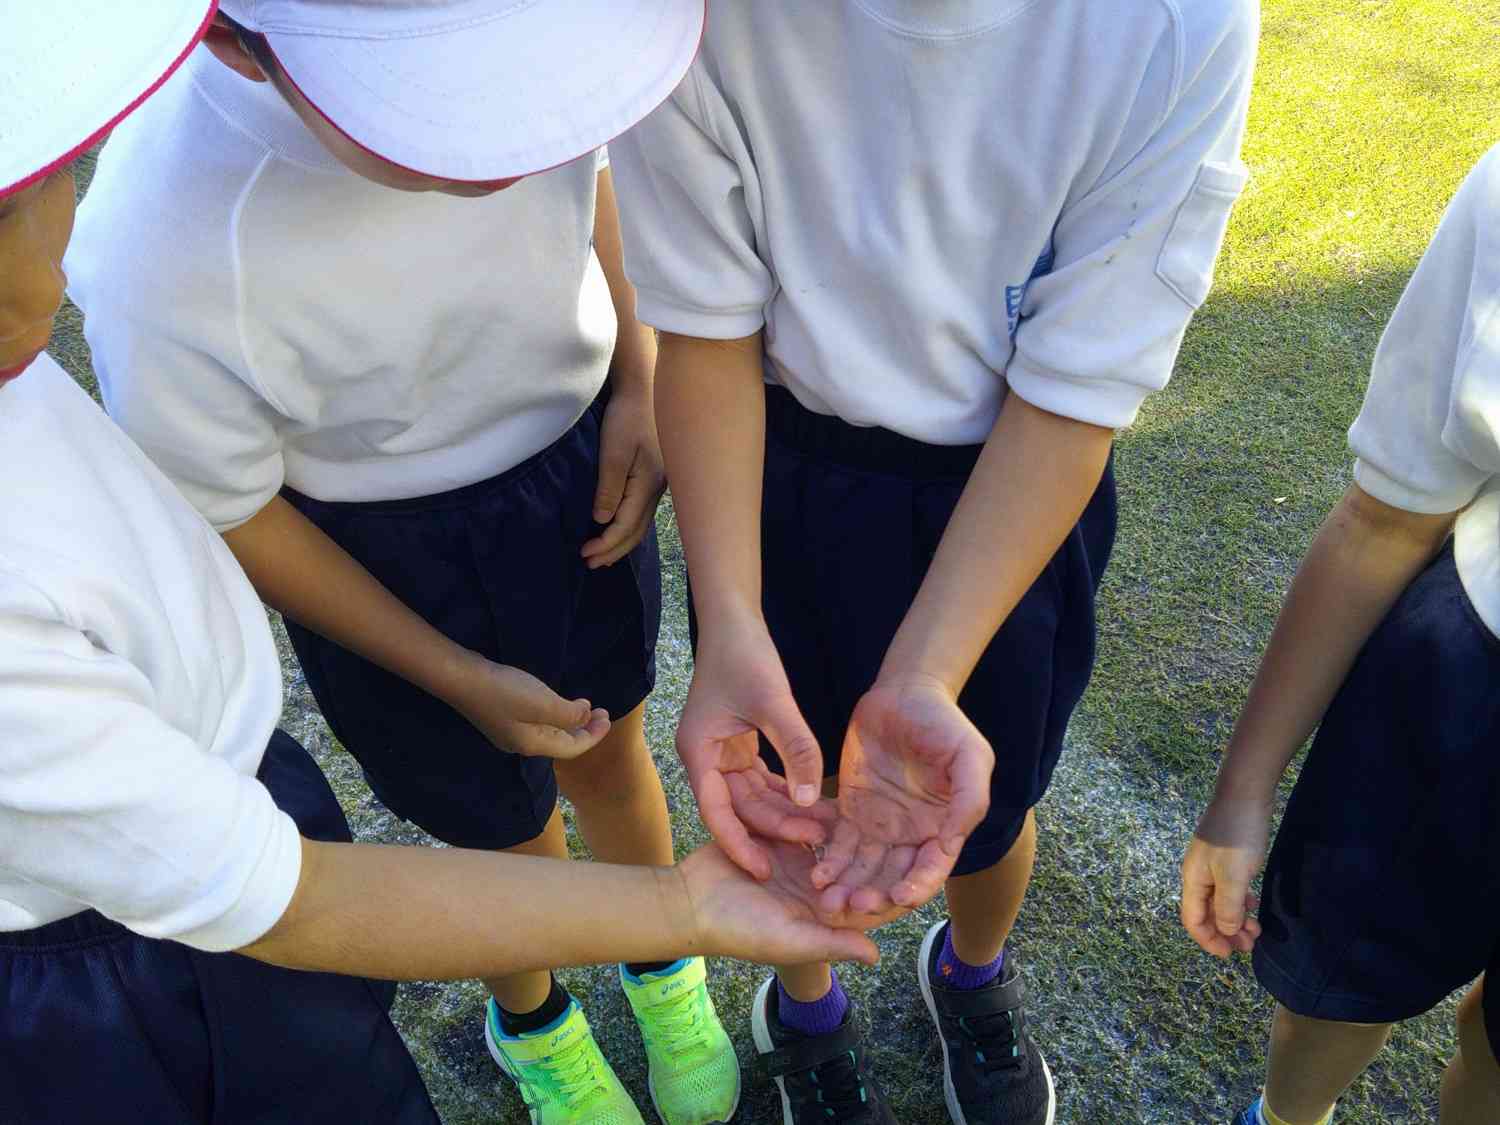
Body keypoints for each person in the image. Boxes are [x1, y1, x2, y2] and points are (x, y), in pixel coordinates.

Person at [0, 10, 882, 1123]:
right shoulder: (163, 243)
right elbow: (236, 508)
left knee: (611, 749)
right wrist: (451, 673)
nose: (505, 144)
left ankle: (661, 968)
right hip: (380, 564)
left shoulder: (534, 52)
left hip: (569, 491)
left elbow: (588, 168)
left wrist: (637, 371)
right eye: (437, 112)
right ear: (234, 43)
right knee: (493, 821)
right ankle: (536, 1023)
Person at [606, 2, 1260, 1121]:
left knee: (990, 805)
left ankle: (971, 971)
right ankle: (806, 1011)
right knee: (782, 800)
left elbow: (1077, 381)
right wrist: (731, 618)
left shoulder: (1176, 19)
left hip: (1013, 475)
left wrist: (922, 676)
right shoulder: (681, 19)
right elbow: (711, 331)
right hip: (777, 460)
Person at [1180, 144, 1500, 1125]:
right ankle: (1285, 1119)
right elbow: (1384, 517)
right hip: (1465, 692)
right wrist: (1243, 790)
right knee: (1339, 984)